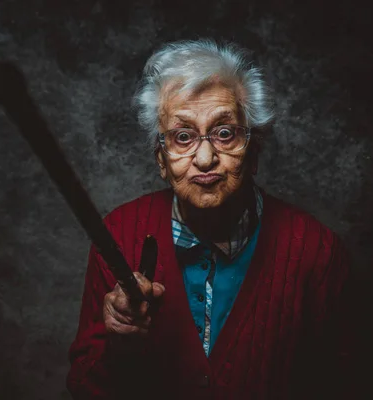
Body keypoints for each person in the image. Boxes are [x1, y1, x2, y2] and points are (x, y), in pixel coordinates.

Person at [66, 39, 354, 399]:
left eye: (224, 133)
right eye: (182, 136)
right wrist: (120, 345)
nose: (204, 158)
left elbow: (341, 384)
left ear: (253, 151)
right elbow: (82, 389)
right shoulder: (120, 235)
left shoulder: (316, 251)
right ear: (160, 159)